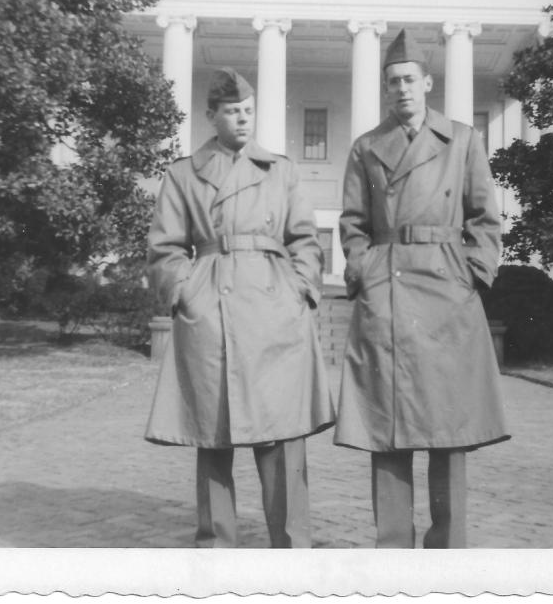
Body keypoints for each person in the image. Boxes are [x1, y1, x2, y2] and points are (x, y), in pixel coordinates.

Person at [145, 67, 336, 548]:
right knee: (213, 436)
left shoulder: (281, 170)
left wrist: (301, 290)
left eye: (248, 110)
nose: (243, 119)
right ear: (212, 115)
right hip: (212, 307)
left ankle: (291, 551)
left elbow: (305, 240)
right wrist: (186, 292)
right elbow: (165, 248)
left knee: (283, 435)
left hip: (276, 311)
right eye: (232, 111)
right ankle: (216, 550)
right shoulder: (184, 174)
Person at [334, 29, 509, 548]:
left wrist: (471, 274)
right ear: (386, 88)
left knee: (447, 428)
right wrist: (365, 270)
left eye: (410, 79)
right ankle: (393, 553)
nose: (402, 89)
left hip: (446, 289)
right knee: (387, 426)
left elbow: (485, 218)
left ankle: (446, 554)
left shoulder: (462, 140)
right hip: (387, 289)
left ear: (428, 83)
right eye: (393, 82)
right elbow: (353, 223)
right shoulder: (367, 147)